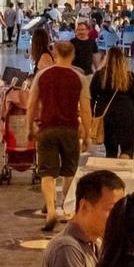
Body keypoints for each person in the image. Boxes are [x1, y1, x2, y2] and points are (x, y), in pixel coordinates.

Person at [41, 168, 124, 267]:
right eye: (111, 210)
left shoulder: (94, 243)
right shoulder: (67, 249)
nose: (118, 218)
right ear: (85, 206)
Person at [29, 40, 87, 231]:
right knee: (69, 171)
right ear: (73, 55)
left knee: (47, 172)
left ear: (54, 54)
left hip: (47, 129)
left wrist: (29, 127)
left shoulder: (42, 75)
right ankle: (66, 208)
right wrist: (86, 132)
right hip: (70, 129)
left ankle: (51, 210)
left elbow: (32, 104)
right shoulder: (79, 77)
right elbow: (85, 110)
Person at [90, 45, 134, 158]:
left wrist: (92, 115)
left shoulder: (99, 75)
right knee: (128, 149)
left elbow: (92, 97)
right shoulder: (129, 76)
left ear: (106, 58)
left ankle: (112, 173)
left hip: (107, 117)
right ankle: (125, 169)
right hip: (126, 116)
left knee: (110, 151)